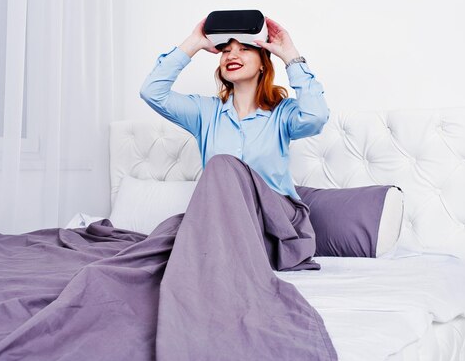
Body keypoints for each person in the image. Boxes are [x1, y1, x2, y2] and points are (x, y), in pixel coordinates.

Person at [140, 15, 329, 265]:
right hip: (222, 222)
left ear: (263, 63)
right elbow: (151, 91)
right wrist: (194, 42)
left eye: (244, 49)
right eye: (226, 50)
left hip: (276, 225)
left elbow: (316, 117)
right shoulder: (205, 113)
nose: (231, 55)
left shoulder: (283, 113)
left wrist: (290, 55)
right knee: (165, 239)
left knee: (222, 165)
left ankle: (211, 252)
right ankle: (211, 255)